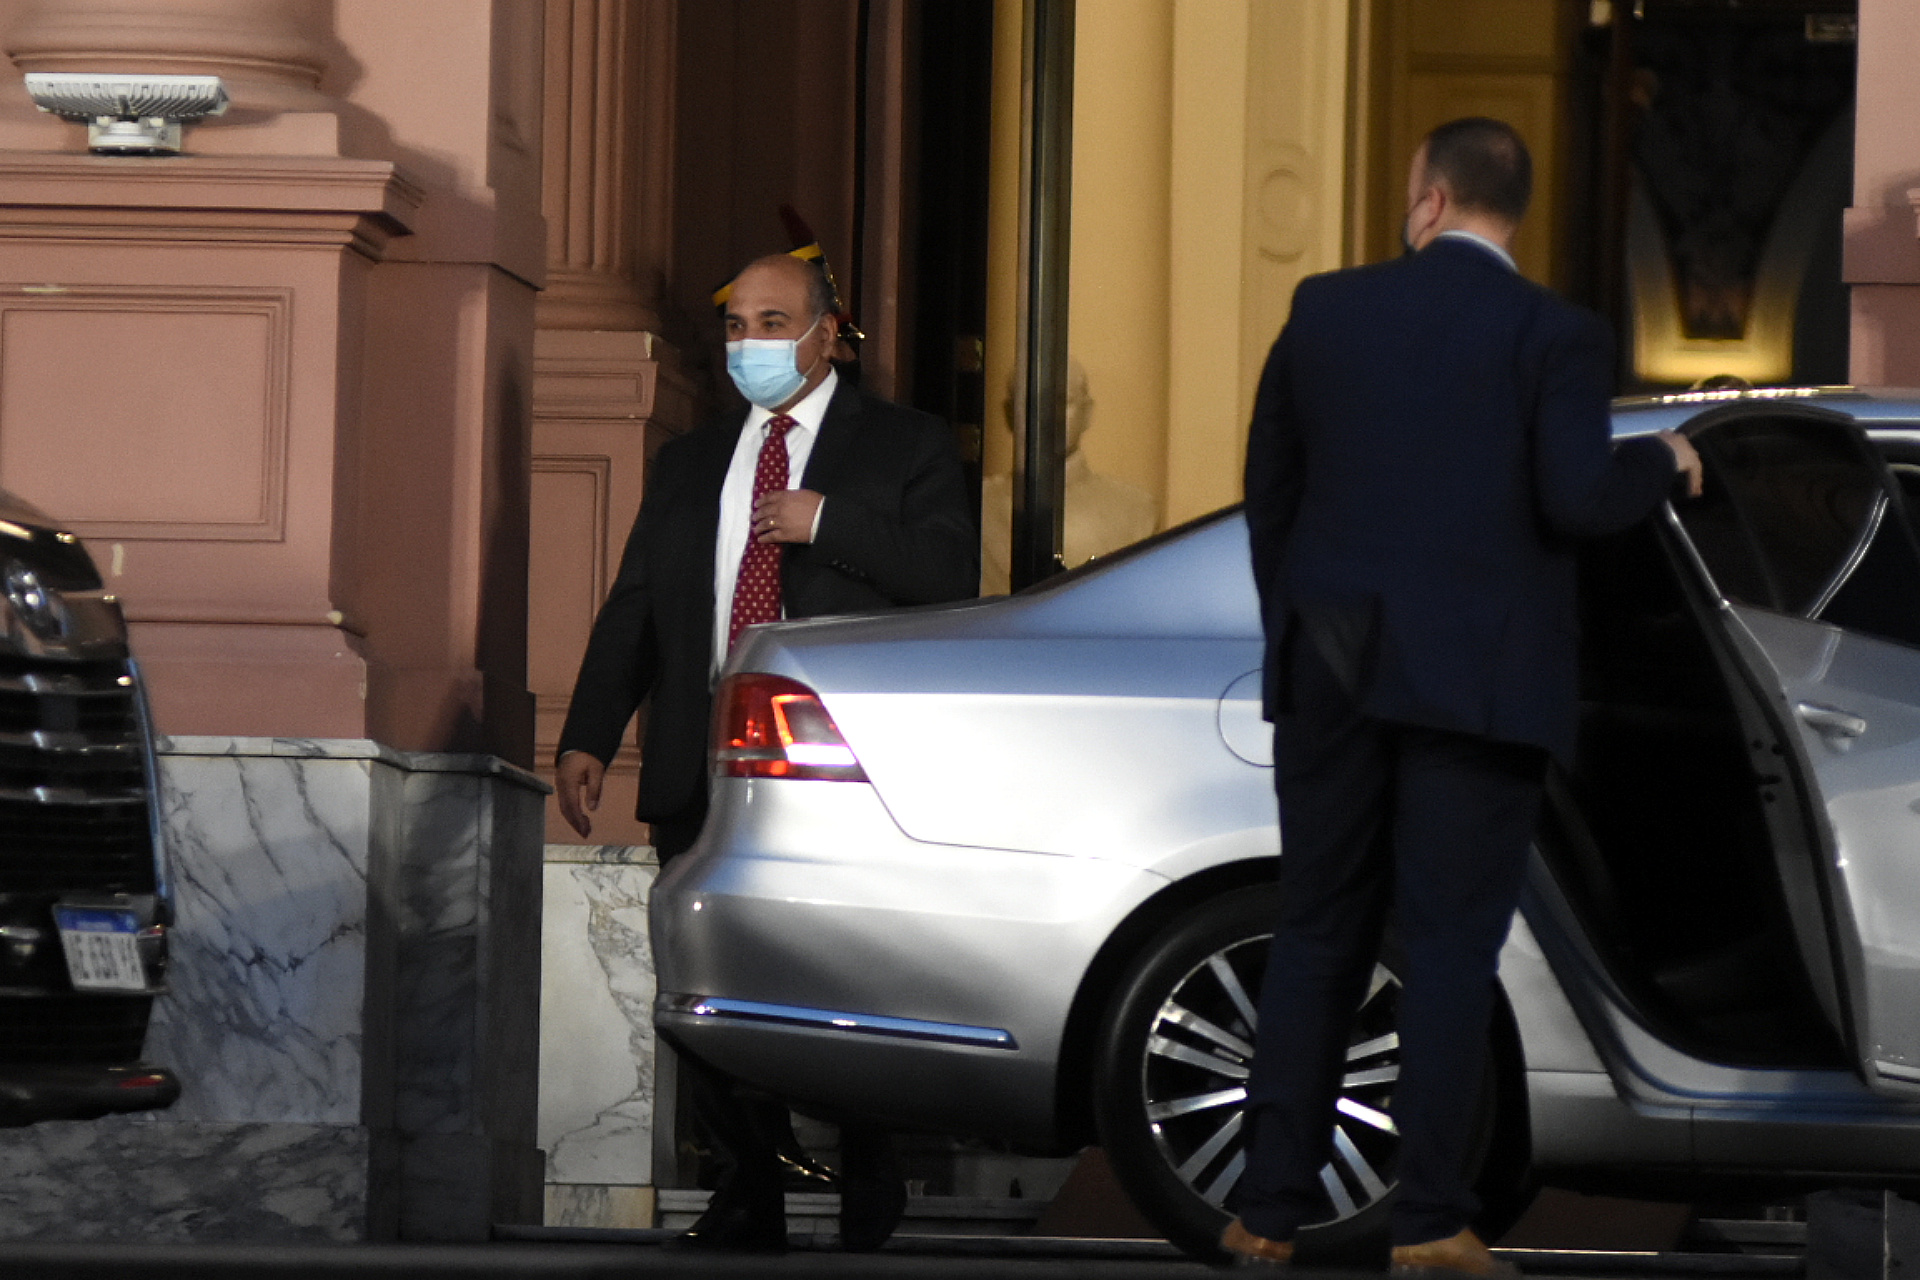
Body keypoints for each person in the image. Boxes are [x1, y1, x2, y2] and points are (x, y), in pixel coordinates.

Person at [1225, 118, 1704, 1273]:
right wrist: (1669, 462)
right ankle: (1430, 1219)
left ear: (1428, 198)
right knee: (1446, 950)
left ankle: (1266, 1211)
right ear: (1509, 211)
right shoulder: (1558, 332)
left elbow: (1270, 489)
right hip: (1480, 687)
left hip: (1331, 671)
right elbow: (1577, 498)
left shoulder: (1326, 310)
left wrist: (1302, 623)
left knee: (1316, 931)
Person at [553, 251, 978, 1252]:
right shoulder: (692, 461)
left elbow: (949, 572)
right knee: (696, 979)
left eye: (772, 322)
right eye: (736, 325)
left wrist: (829, 521)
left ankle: (869, 1162)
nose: (749, 343)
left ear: (828, 333)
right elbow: (638, 610)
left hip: (834, 766)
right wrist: (587, 733)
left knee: (847, 971)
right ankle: (751, 1179)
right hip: (702, 757)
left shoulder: (905, 446)